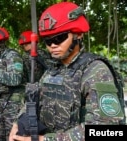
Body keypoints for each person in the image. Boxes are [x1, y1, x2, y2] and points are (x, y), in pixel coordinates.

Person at [9, 2, 126, 141]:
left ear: (78, 35)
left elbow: (105, 130)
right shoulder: (52, 70)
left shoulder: (95, 71)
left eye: (59, 38)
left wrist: (45, 140)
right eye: (48, 41)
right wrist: (18, 123)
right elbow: (32, 99)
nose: (53, 45)